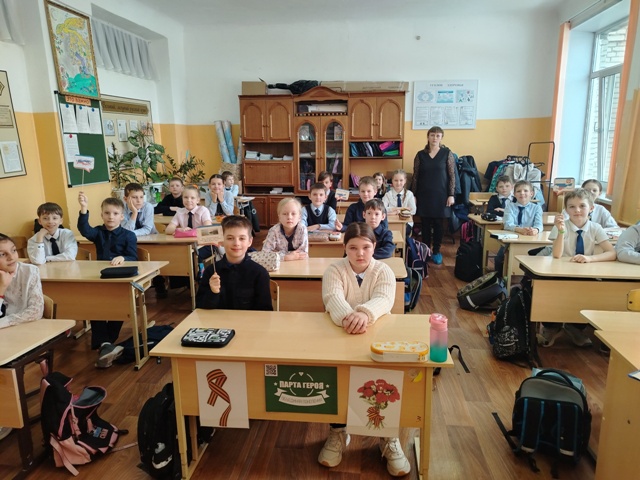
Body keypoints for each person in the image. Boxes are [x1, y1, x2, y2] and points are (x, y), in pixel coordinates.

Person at [320, 222, 409, 477]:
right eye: (353, 248)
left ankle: (388, 437)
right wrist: (350, 318)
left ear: (374, 246)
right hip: (341, 334)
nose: (360, 253)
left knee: (382, 384)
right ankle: (338, 432)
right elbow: (332, 298)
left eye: (366, 247)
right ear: (344, 247)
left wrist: (364, 314)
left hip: (376, 337)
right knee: (338, 379)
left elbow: (384, 300)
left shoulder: (384, 271)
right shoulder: (334, 270)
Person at [537, 188, 617, 348]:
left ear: (591, 208)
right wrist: (561, 231)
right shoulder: (561, 226)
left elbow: (612, 253)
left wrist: (590, 258)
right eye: (572, 207)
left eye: (582, 206)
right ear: (566, 210)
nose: (577, 210)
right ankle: (551, 326)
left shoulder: (595, 228)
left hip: (584, 273)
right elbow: (557, 255)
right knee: (549, 293)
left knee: (590, 295)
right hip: (559, 272)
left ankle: (576, 327)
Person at [77, 193, 137, 367]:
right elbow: (84, 230)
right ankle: (106, 345)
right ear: (102, 215)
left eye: (115, 214)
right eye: (107, 213)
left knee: (119, 307)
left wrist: (123, 258)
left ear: (122, 216)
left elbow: (133, 257)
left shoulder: (128, 235)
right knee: (95, 306)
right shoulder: (98, 232)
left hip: (120, 278)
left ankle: (105, 344)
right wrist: (83, 208)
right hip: (100, 276)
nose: (111, 217)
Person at [0, 233, 45, 441]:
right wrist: (1, 290)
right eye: (2, 254)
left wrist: (3, 323)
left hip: (26, 334)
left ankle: (6, 416)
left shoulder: (29, 272)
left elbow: (35, 312)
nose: (11, 257)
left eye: (13, 250)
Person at [196, 216, 272, 310]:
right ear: (221, 241)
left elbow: (265, 310)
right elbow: (200, 307)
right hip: (218, 319)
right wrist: (213, 292)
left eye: (242, 238)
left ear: (250, 241)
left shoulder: (259, 273)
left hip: (247, 319)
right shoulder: (211, 271)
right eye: (230, 238)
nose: (236, 243)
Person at [410, 126, 455, 265]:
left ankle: (436, 251)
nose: (435, 138)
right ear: (428, 137)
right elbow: (416, 176)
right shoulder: (420, 155)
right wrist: (413, 194)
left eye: (438, 135)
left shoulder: (447, 153)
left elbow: (452, 175)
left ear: (441, 138)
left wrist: (451, 194)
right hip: (424, 195)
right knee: (425, 224)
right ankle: (426, 251)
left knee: (438, 224)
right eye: (432, 135)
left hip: (441, 195)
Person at [495, 179, 543, 274]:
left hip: (530, 240)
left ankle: (527, 278)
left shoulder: (536, 208)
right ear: (514, 194)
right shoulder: (510, 206)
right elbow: (507, 224)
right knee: (499, 258)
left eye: (525, 191)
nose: (522, 193)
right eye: (518, 191)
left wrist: (535, 230)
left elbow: (539, 225)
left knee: (536, 258)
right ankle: (498, 278)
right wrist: (519, 230)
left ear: (531, 193)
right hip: (511, 239)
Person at [165, 186, 213, 262]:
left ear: (198, 200)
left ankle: (197, 270)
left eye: (192, 198)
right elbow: (168, 230)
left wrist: (191, 232)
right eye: (186, 197)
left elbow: (208, 228)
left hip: (204, 244)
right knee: (175, 254)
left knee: (192, 255)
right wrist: (180, 229)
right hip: (186, 244)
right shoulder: (180, 212)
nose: (188, 200)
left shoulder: (203, 210)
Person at [382, 169, 417, 237]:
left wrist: (395, 211)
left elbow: (413, 211)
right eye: (396, 180)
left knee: (402, 232)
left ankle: (403, 244)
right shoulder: (388, 195)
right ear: (392, 181)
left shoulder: (409, 194)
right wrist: (402, 209)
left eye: (401, 180)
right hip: (391, 222)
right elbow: (382, 209)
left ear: (405, 181)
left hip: (406, 223)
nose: (398, 183)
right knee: (387, 233)